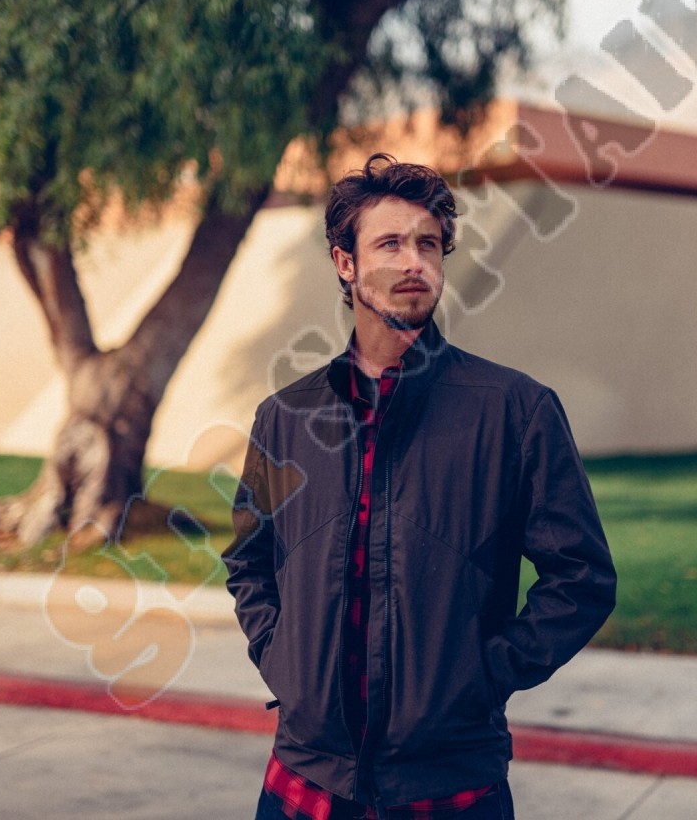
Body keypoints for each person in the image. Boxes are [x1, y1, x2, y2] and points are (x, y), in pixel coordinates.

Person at [223, 153, 616, 820]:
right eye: (390, 244)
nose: (414, 262)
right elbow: (249, 560)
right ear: (345, 263)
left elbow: (581, 578)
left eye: (429, 244)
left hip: (451, 786)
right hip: (304, 782)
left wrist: (481, 678)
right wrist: (282, 659)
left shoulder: (515, 411)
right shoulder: (287, 418)